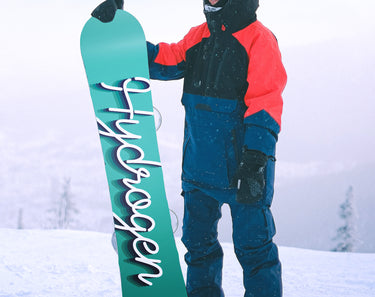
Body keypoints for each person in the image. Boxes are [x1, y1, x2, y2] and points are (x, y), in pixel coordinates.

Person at [92, 0, 287, 296]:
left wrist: (256, 160)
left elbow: (265, 103)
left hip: (244, 169)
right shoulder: (198, 36)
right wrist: (118, 28)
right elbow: (161, 60)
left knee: (254, 250)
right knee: (198, 247)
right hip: (199, 168)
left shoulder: (259, 38)